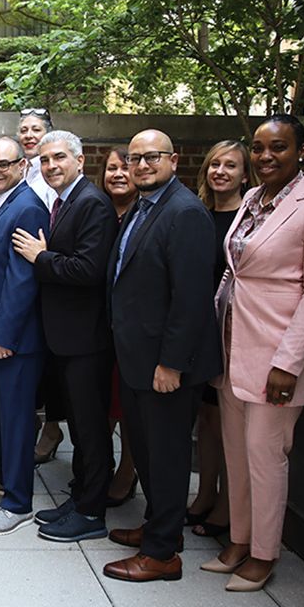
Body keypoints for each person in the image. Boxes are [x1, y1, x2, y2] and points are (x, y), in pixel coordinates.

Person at [204, 114, 304, 591]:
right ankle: (240, 541)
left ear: (301, 152)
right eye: (260, 148)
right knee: (236, 451)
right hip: (231, 345)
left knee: (266, 455)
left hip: (277, 355)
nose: (266, 157)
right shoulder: (250, 199)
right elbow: (234, 269)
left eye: (279, 147)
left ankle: (265, 554)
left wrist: (289, 362)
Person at [103, 129, 221, 583]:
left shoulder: (186, 212)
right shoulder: (145, 206)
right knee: (149, 455)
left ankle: (162, 555)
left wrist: (171, 363)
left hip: (164, 367)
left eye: (152, 157)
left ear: (174, 159)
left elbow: (191, 299)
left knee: (168, 459)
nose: (142, 165)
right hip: (137, 359)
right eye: (134, 159)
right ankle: (161, 530)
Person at [11, 131, 118, 542]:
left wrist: (42, 258)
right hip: (64, 337)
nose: (51, 165)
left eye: (59, 157)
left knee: (91, 429)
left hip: (86, 339)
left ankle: (92, 512)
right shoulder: (64, 201)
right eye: (45, 160)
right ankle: (80, 496)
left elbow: (87, 270)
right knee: (79, 426)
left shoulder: (93, 204)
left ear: (80, 160)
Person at [0, 137, 50, 536]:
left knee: (16, 420)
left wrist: (5, 336)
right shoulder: (0, 205)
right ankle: (2, 474)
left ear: (22, 166)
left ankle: (17, 503)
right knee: (1, 414)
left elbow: (22, 281)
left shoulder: (27, 207)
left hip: (12, 339)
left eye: (4, 164)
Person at [188, 139, 255, 539]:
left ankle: (229, 503)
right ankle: (205, 493)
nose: (220, 172)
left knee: (230, 422)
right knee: (206, 419)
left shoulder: (248, 221)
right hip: (203, 329)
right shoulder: (198, 214)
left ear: (244, 174)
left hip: (236, 330)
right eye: (214, 164)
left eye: (230, 166)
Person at [18, 109, 63, 465]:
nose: (29, 135)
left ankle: (50, 427)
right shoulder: (22, 171)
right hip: (28, 272)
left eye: (36, 129)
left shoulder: (54, 175)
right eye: (24, 130)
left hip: (50, 271)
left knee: (50, 363)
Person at [101, 146, 140, 507]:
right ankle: (102, 469)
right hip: (99, 329)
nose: (117, 174)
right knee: (103, 405)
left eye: (124, 168)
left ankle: (128, 470)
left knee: (126, 407)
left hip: (131, 332)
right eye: (111, 168)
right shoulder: (99, 212)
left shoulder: (144, 215)